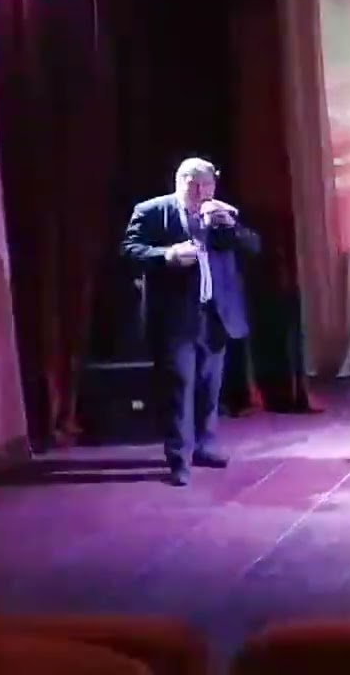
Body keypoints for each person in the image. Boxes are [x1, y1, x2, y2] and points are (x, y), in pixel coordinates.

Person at [121, 158, 260, 486]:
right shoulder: (152, 211)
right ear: (180, 181)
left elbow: (253, 246)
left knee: (209, 388)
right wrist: (167, 255)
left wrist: (231, 226)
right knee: (178, 389)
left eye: (207, 186)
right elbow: (129, 250)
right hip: (175, 317)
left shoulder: (220, 213)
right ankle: (178, 459)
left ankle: (205, 446)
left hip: (215, 314)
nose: (201, 193)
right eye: (194, 186)